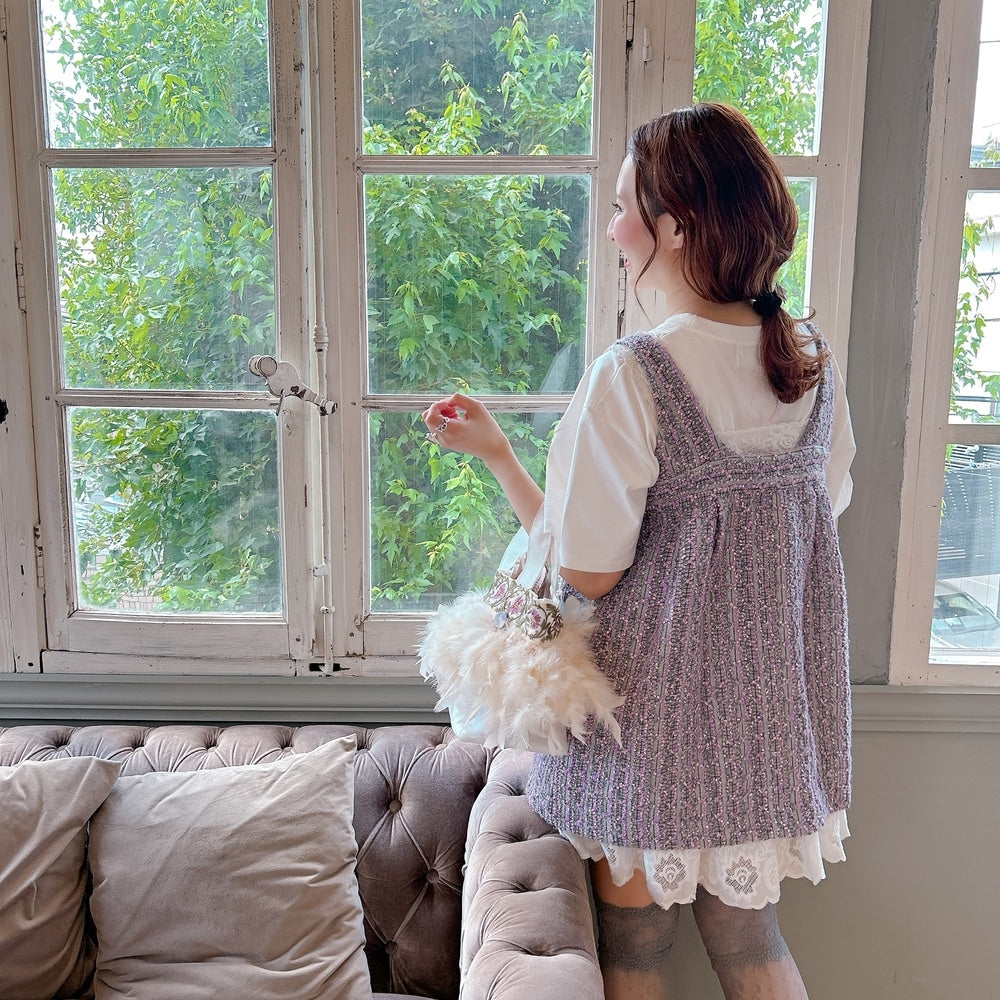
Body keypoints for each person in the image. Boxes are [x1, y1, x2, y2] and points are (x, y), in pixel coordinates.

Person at [422, 102, 854, 1000]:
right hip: (768, 722)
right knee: (753, 944)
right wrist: (503, 455)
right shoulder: (810, 364)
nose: (613, 227)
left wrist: (505, 467)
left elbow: (587, 571)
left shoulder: (636, 372)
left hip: (651, 730)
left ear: (677, 226)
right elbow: (823, 515)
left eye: (624, 207)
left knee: (635, 945)